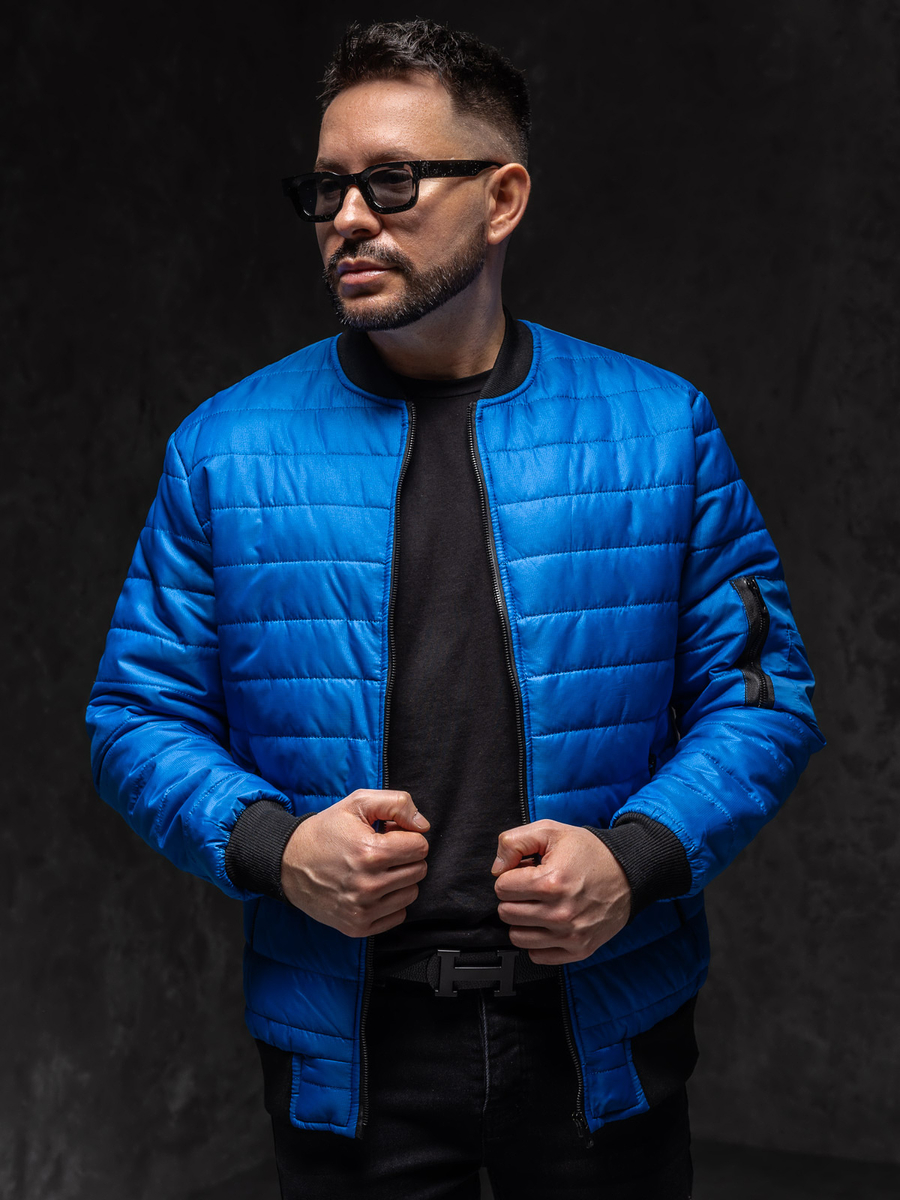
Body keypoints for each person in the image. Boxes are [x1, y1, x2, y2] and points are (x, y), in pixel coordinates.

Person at [86, 18, 824, 1200]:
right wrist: (278, 846)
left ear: (502, 198)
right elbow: (134, 716)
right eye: (326, 188)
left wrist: (635, 859)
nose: (347, 218)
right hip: (348, 1047)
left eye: (391, 182)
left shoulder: (660, 428)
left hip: (599, 1032)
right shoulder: (224, 450)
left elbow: (763, 696)